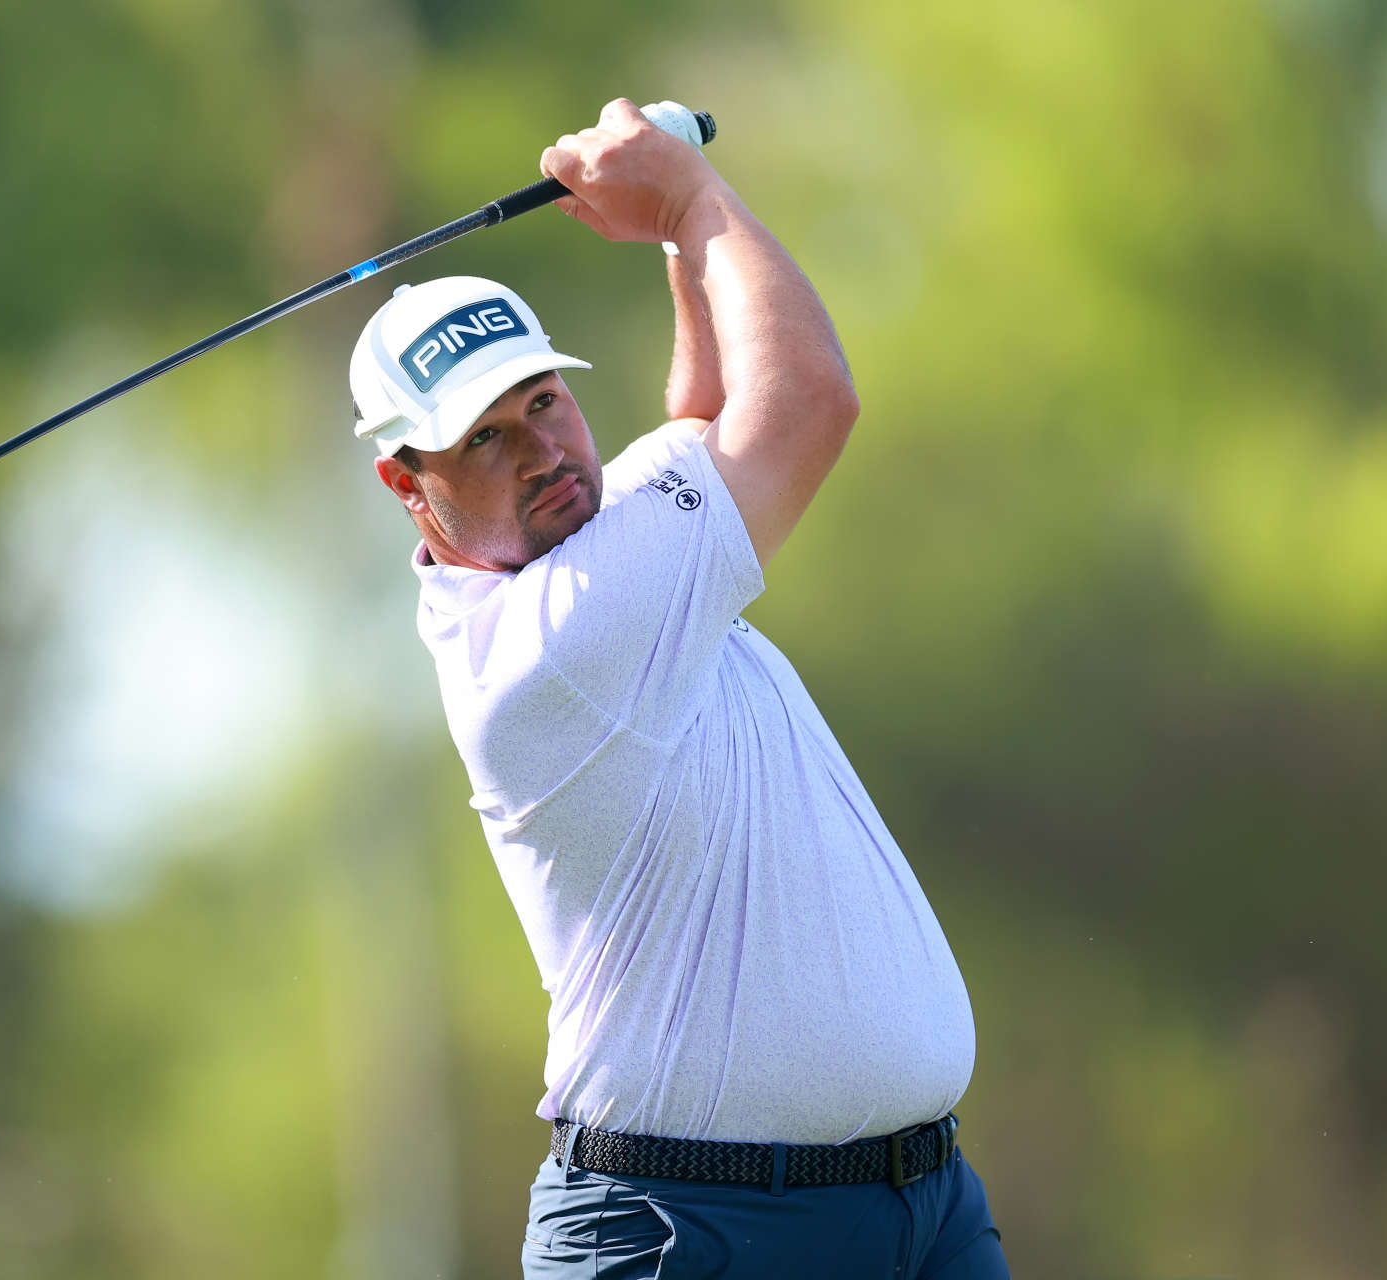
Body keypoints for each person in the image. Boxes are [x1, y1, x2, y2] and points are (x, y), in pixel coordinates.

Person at [348, 98, 1008, 1279]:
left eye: (545, 400)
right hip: (693, 1234)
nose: (545, 453)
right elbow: (805, 399)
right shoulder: (553, 641)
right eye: (486, 440)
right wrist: (693, 202)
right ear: (410, 484)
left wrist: (673, 238)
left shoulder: (592, 553)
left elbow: (697, 424)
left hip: (920, 1209)